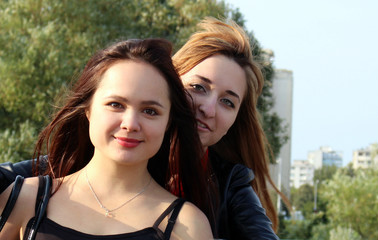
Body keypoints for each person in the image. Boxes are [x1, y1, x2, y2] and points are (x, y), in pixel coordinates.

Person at [0, 39, 213, 240]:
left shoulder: (187, 224)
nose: (130, 123)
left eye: (150, 111)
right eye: (116, 104)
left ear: (168, 122)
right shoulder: (26, 199)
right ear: (88, 110)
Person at [172, 17, 289, 239]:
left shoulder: (231, 183)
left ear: (235, 120)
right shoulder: (119, 156)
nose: (208, 109)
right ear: (169, 83)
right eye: (198, 87)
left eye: (228, 102)